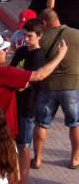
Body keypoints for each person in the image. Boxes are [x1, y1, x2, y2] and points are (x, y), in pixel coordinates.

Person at [0, 31, 66, 141]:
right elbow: (39, 75)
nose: (7, 51)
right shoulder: (4, 73)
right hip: (1, 131)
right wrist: (60, 55)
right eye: (4, 49)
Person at [33, 9, 79, 169]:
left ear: (44, 23)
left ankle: (38, 159)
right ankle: (75, 159)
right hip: (72, 85)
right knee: (75, 123)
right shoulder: (76, 34)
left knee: (42, 123)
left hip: (48, 85)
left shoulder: (42, 38)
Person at [10, 18, 47, 184]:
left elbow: (29, 82)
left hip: (27, 107)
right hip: (14, 103)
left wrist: (17, 84)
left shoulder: (39, 56)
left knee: (24, 146)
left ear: (39, 36)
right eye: (25, 35)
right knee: (14, 146)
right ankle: (14, 183)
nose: (26, 39)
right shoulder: (22, 51)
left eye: (30, 36)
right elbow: (11, 71)